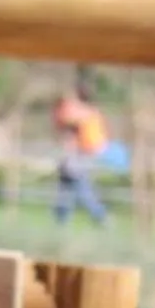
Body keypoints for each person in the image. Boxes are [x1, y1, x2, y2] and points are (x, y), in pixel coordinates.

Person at [50, 80, 112, 227]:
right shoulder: (91, 112)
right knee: (68, 183)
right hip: (84, 152)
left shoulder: (79, 112)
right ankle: (62, 218)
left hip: (80, 153)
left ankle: (100, 215)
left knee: (78, 184)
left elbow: (67, 127)